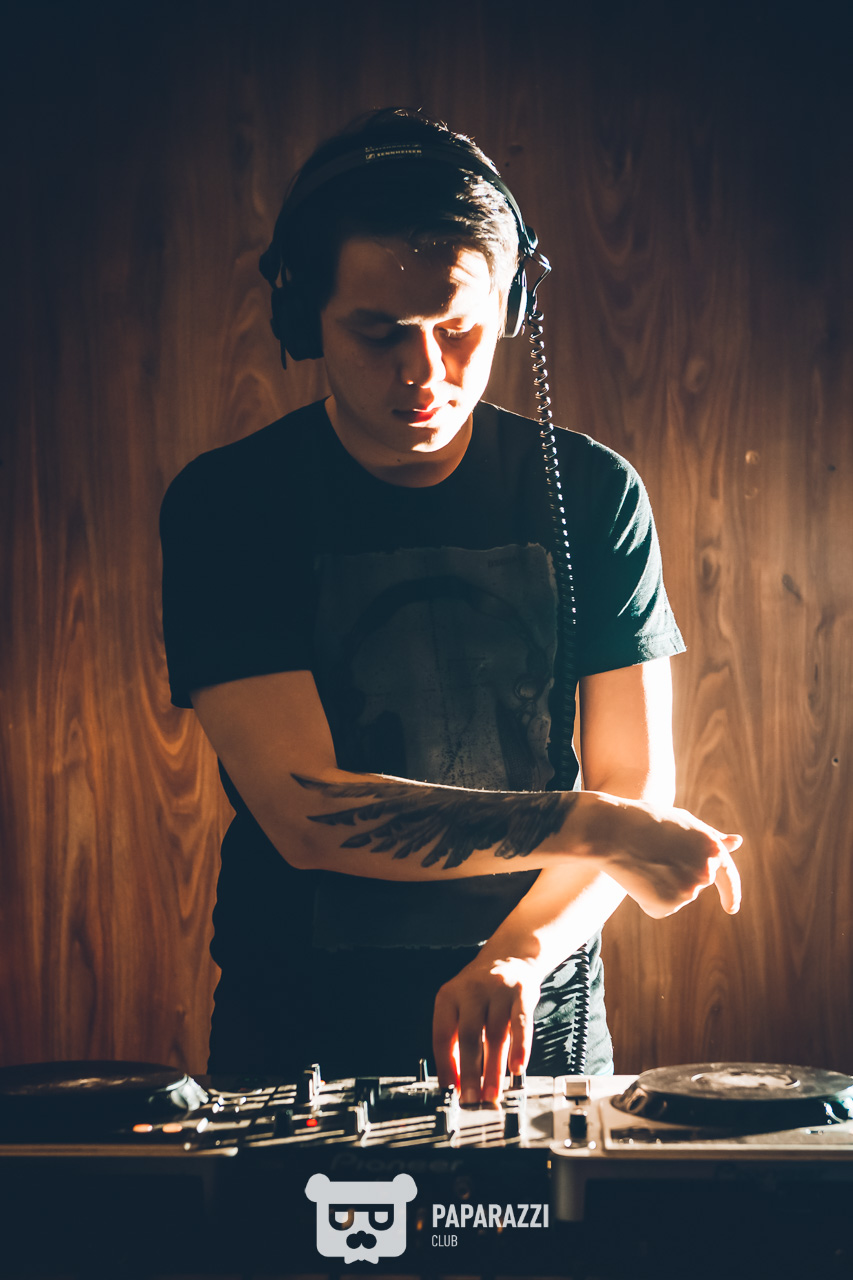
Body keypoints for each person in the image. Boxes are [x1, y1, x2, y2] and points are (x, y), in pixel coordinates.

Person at [159, 109, 741, 1101]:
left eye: (458, 329)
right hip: (300, 1030)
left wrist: (519, 953)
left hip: (540, 1016)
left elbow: (633, 775)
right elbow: (308, 813)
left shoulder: (593, 489)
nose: (424, 373)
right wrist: (599, 825)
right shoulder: (230, 503)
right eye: (378, 332)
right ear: (304, 317)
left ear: (511, 306)